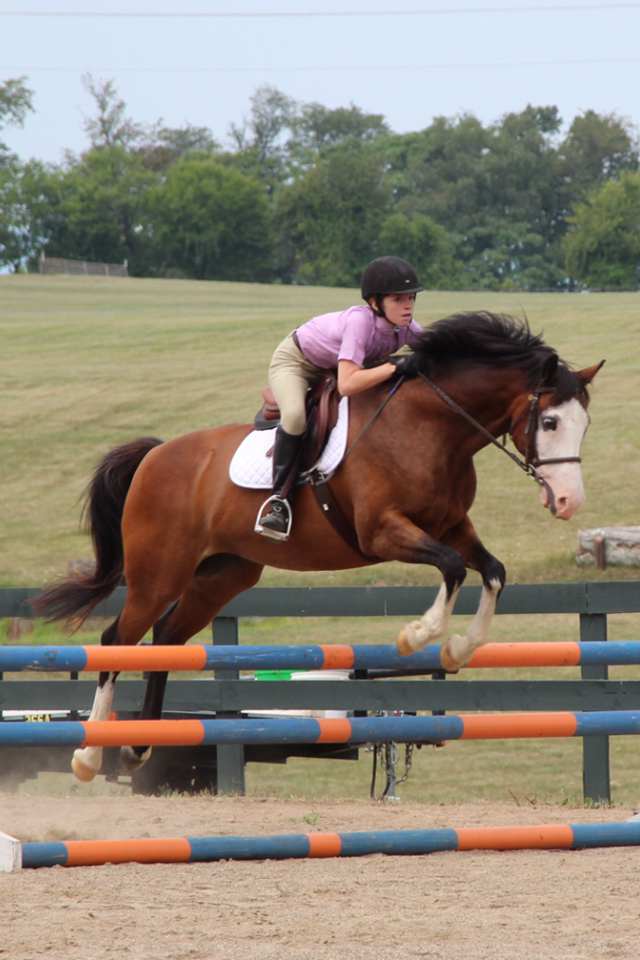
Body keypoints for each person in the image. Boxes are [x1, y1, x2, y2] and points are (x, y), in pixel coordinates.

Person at [255, 255, 425, 541]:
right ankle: (278, 503)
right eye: (398, 299)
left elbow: (438, 350)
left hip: (332, 367)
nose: (407, 305)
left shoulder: (404, 326)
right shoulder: (360, 322)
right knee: (295, 415)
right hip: (296, 363)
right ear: (375, 303)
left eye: (410, 297)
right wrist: (393, 366)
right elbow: (347, 384)